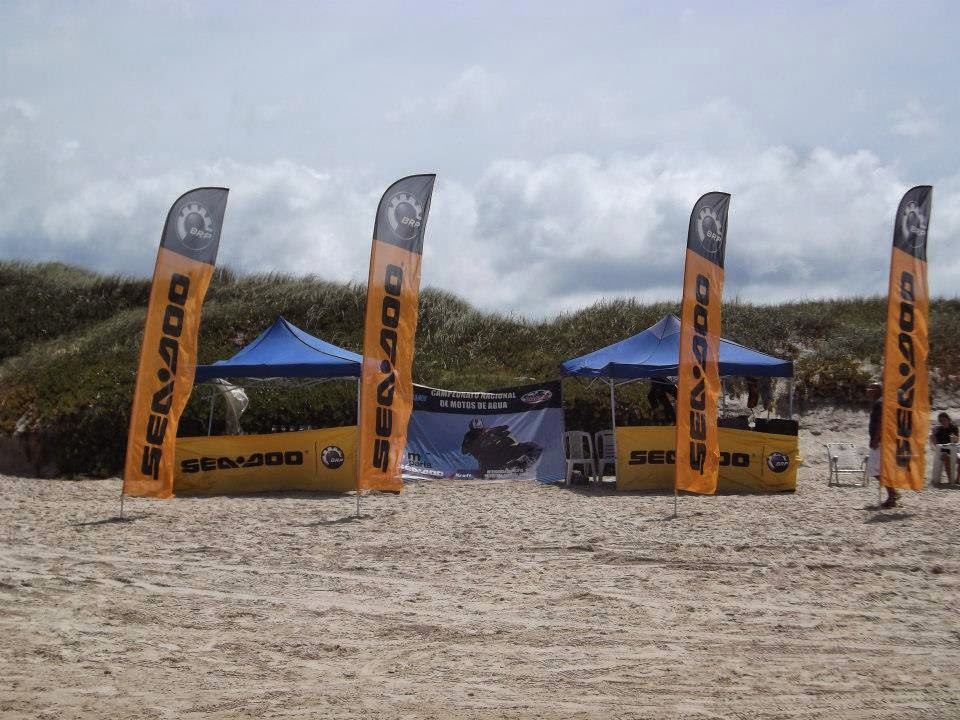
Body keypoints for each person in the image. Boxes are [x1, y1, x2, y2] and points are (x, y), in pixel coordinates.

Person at [867, 381, 900, 509]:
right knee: (878, 469)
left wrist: (876, 439)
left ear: (878, 390)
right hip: (883, 440)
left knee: (873, 469)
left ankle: (892, 494)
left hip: (881, 441)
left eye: (872, 388)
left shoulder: (880, 403)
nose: (868, 390)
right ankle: (892, 494)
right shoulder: (879, 402)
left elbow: (882, 423)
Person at [929, 412, 959, 486]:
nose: (943, 422)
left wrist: (955, 438)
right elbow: (936, 445)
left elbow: (956, 442)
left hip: (953, 451)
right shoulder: (939, 430)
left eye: (944, 420)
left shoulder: (954, 428)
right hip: (943, 452)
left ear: (948, 419)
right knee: (945, 456)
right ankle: (950, 480)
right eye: (941, 421)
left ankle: (957, 480)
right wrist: (933, 435)